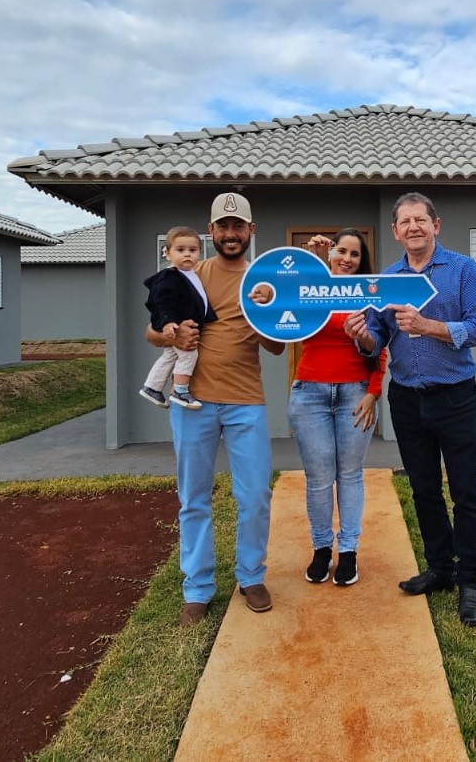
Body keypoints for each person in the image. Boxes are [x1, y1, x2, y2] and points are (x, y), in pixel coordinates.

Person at [344, 192, 476, 626]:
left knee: (465, 491)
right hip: (407, 401)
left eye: (420, 220)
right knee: (424, 490)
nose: (413, 227)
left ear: (435, 225)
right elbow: (376, 339)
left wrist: (429, 326)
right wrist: (361, 335)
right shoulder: (387, 279)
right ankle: (440, 569)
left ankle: (470, 579)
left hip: (456, 397)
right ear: (395, 231)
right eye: (404, 221)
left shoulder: (463, 270)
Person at [146, 192, 285, 626]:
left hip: (246, 402)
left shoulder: (262, 281)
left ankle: (251, 576)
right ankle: (198, 587)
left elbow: (278, 346)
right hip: (193, 404)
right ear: (211, 232)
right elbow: (151, 333)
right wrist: (174, 338)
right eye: (222, 227)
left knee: (256, 495)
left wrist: (260, 314)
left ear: (250, 231)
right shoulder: (190, 274)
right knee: (193, 497)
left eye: (237, 226)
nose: (230, 234)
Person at [289, 230, 388, 587]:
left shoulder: (369, 294)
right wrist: (311, 266)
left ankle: (348, 552)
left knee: (349, 475)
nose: (347, 258)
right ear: (331, 254)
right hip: (309, 394)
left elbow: (381, 347)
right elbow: (290, 318)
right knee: (318, 479)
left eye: (355, 254)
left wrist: (373, 392)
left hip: (354, 394)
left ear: (363, 262)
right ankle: (321, 550)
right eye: (341, 251)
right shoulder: (313, 284)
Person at [138, 226, 216, 410]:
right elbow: (162, 300)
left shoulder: (190, 274)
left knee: (170, 355)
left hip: (181, 324)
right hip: (175, 325)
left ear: (199, 252)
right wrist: (168, 321)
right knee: (189, 354)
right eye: (180, 250)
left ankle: (152, 387)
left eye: (192, 250)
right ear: (168, 253)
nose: (187, 254)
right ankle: (180, 391)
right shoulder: (169, 277)